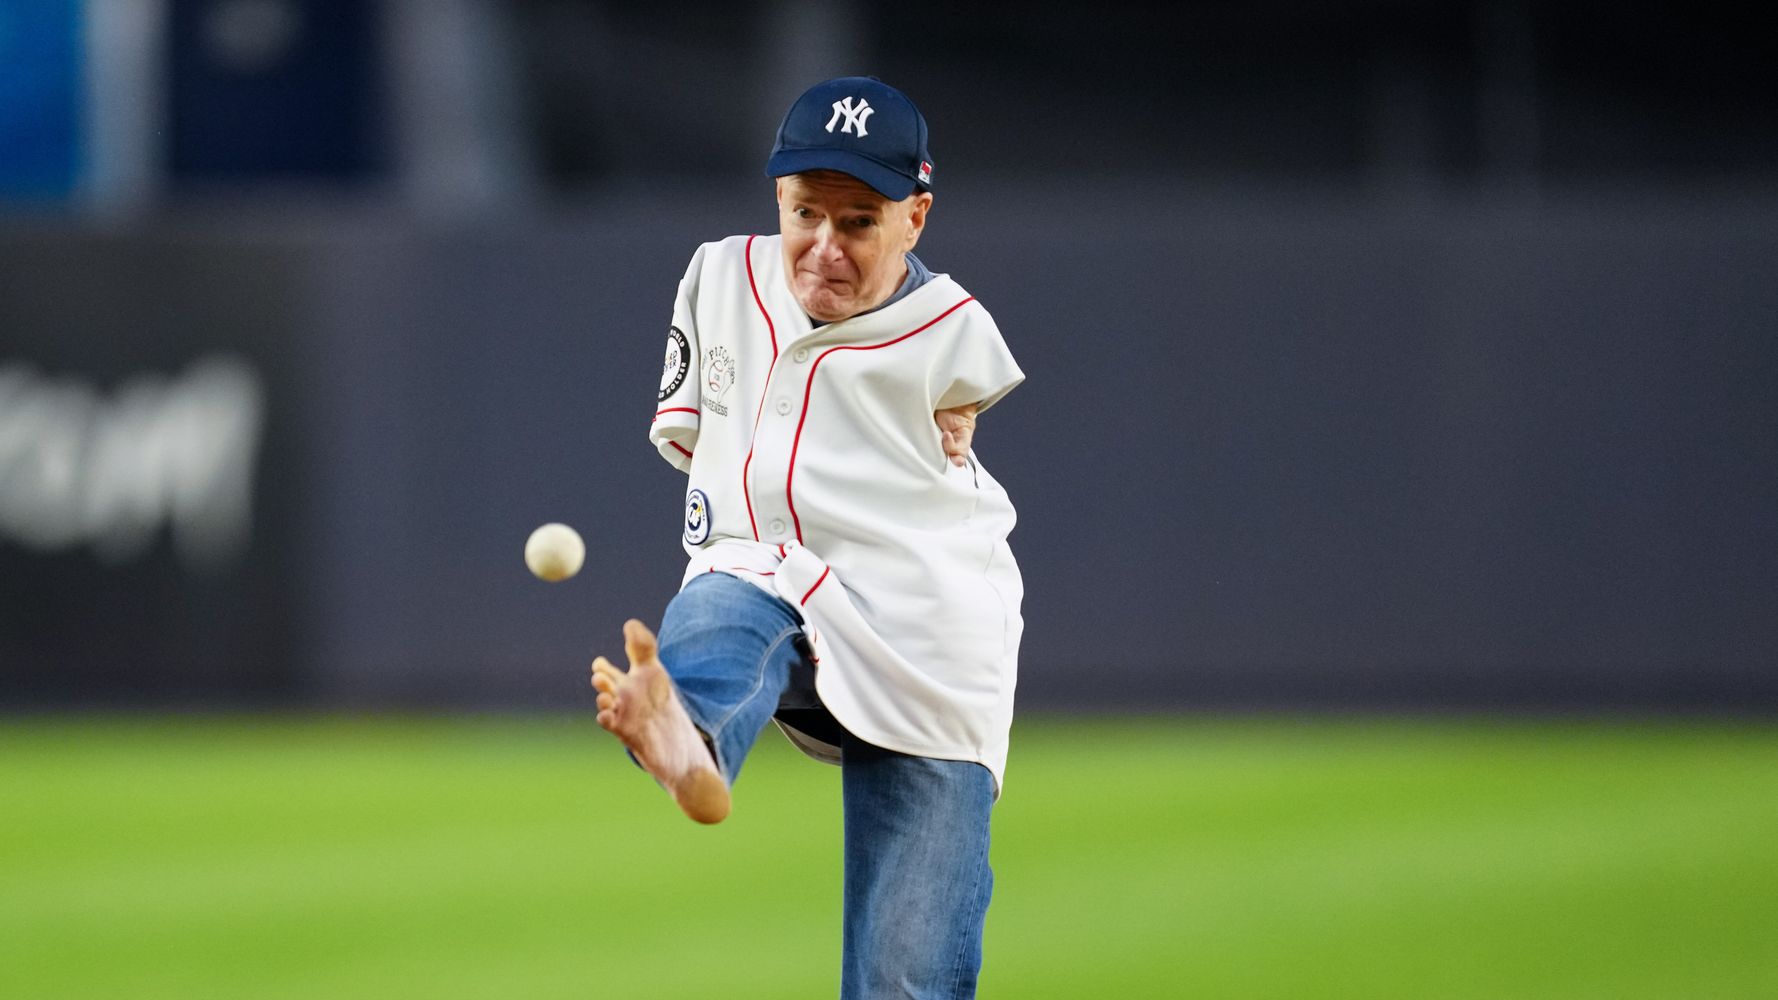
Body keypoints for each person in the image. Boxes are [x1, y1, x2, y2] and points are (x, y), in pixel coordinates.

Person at [590, 76, 1024, 999]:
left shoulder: (954, 329)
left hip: (926, 633)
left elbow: (965, 389)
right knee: (719, 601)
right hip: (770, 579)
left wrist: (957, 412)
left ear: (916, 217)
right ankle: (689, 741)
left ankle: (697, 723)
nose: (824, 247)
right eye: (805, 212)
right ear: (776, 200)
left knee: (906, 974)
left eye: (859, 221)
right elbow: (693, 439)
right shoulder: (719, 278)